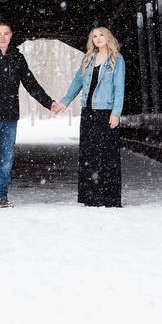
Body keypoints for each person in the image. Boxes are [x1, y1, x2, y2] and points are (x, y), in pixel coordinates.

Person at [0, 20, 61, 209]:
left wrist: (49, 102)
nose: (2, 37)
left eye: (6, 33)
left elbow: (30, 83)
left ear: (11, 35)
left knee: (6, 160)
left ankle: (1, 197)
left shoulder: (17, 58)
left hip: (10, 117)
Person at [58, 27, 125, 207]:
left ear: (108, 37)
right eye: (94, 36)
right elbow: (77, 82)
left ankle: (109, 198)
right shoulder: (88, 59)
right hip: (88, 112)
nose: (97, 38)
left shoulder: (117, 59)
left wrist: (116, 112)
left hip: (105, 111)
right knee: (89, 154)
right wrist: (65, 102)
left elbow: (119, 88)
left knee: (108, 155)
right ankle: (91, 197)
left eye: (101, 35)